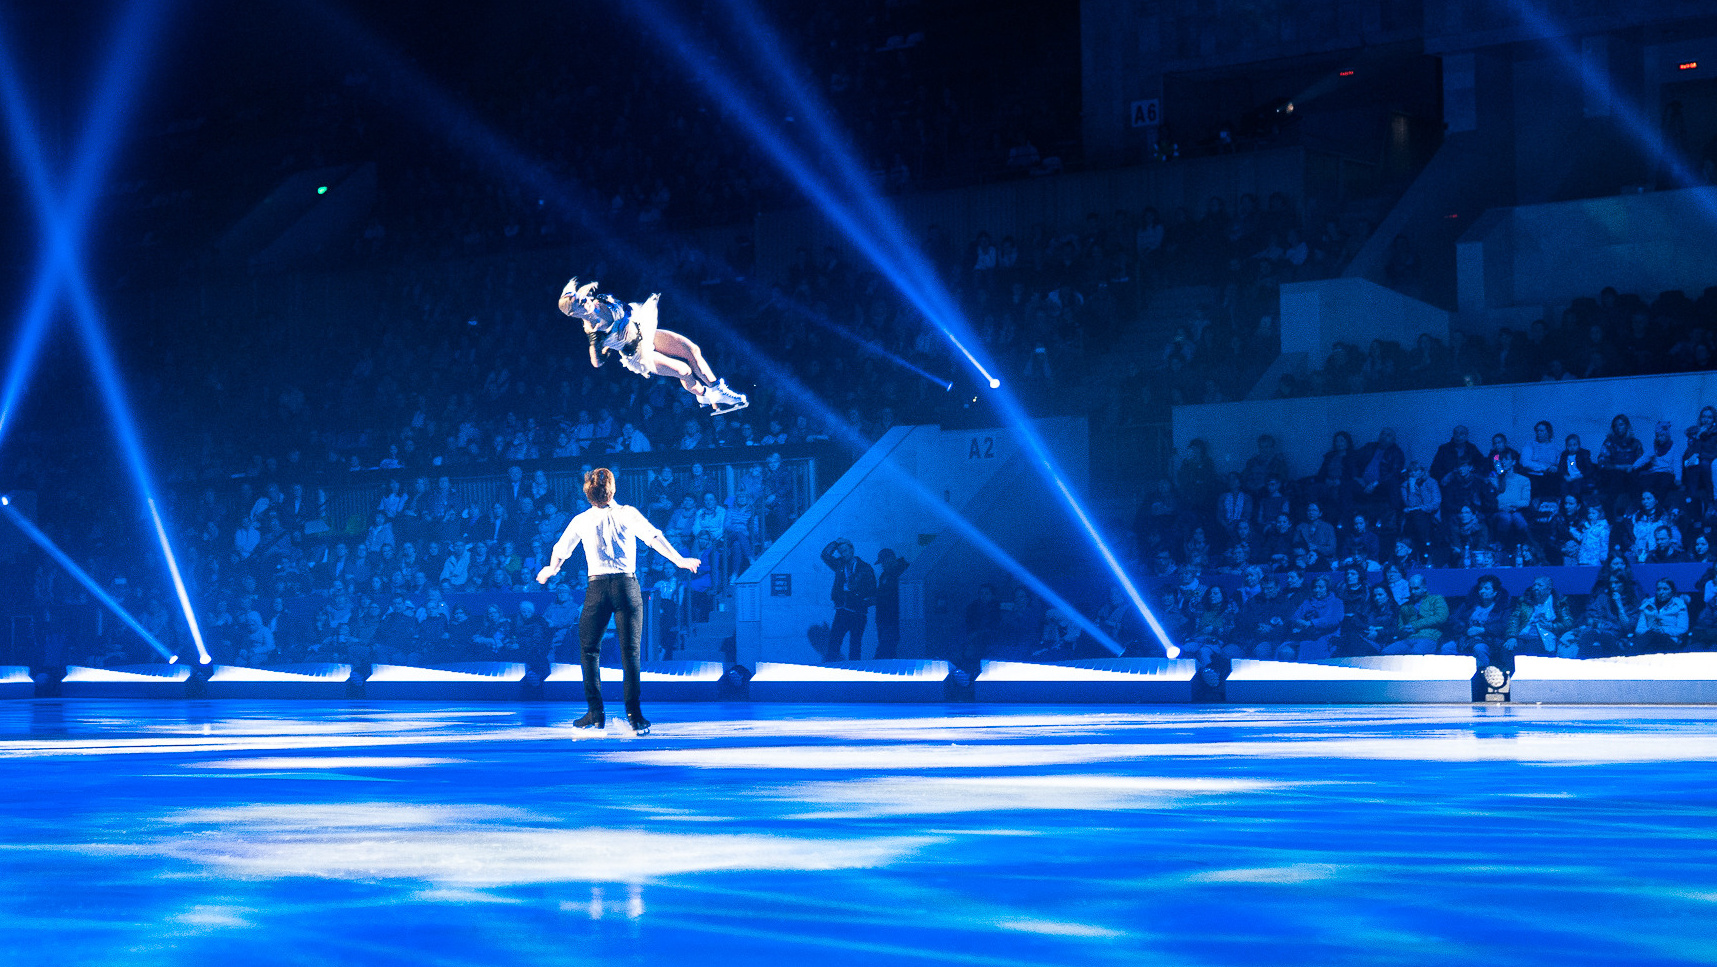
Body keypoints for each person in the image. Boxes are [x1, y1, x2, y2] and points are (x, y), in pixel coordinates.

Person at [537, 468, 701, 734]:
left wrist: (552, 569)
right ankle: (634, 716)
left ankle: (596, 712)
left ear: (588, 494)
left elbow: (561, 549)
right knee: (630, 654)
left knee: (589, 651)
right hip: (625, 585)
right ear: (612, 489)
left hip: (599, 586)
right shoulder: (627, 513)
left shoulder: (582, 519)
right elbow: (654, 537)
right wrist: (679, 560)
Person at [559, 278, 748, 413]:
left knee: (692, 350)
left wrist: (623, 321)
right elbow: (596, 363)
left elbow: (625, 308)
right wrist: (607, 348)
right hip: (638, 354)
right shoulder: (595, 332)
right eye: (580, 304)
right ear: (574, 314)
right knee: (685, 371)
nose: (585, 301)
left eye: (582, 298)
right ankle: (704, 394)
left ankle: (718, 390)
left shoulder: (600, 299)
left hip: (644, 329)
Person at [820, 538, 876, 661]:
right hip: (842, 610)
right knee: (834, 643)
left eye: (845, 550)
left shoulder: (865, 568)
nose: (843, 554)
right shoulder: (840, 564)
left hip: (858, 612)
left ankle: (854, 676)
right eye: (841, 552)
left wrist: (857, 594)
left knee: (855, 646)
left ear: (852, 549)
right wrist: (835, 543)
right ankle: (831, 672)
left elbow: (872, 592)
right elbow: (825, 555)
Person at [873, 548, 909, 660]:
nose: (882, 565)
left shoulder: (904, 572)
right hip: (884, 620)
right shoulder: (885, 575)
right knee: (888, 651)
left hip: (894, 619)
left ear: (890, 559)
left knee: (884, 650)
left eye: (883, 562)